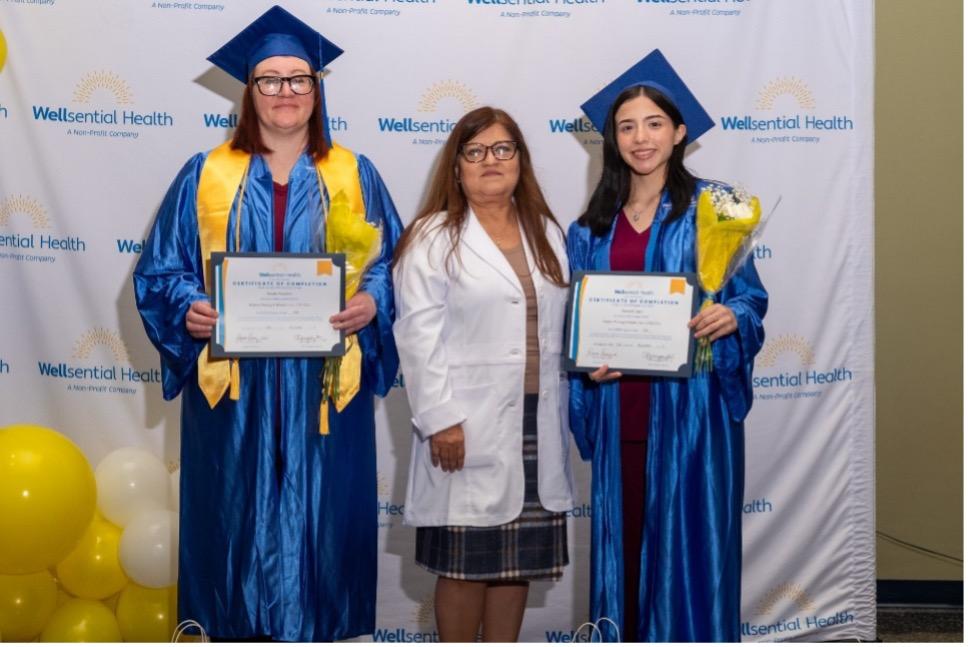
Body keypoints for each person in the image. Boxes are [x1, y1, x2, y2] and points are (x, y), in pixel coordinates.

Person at [132, 6, 402, 641]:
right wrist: (188, 306)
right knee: (232, 532)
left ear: (317, 89)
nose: (286, 91)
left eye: (299, 78)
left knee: (323, 534)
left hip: (324, 395)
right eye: (270, 79)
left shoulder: (355, 173)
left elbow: (392, 265)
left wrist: (372, 303)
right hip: (235, 395)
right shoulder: (204, 173)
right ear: (249, 91)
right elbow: (162, 270)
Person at [567, 50, 768, 642]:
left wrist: (732, 315)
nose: (641, 138)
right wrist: (585, 368)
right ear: (613, 139)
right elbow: (578, 326)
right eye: (627, 126)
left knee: (692, 554)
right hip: (619, 409)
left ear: (680, 132)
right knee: (626, 550)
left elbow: (752, 300)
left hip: (693, 418)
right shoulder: (590, 226)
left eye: (654, 123)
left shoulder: (719, 207)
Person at [392, 107, 575, 642]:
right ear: (456, 167)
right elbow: (417, 335)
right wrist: (441, 419)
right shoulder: (432, 236)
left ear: (520, 159)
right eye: (474, 152)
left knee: (514, 566)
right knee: (464, 567)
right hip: (465, 424)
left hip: (537, 421)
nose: (489, 160)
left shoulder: (546, 231)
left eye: (502, 149)